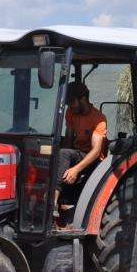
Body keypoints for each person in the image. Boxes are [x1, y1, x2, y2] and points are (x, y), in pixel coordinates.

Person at [53, 81, 108, 220]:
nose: (70, 106)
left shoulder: (99, 119)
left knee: (65, 155)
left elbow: (96, 151)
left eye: (72, 102)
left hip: (93, 160)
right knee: (60, 153)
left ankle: (54, 201)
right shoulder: (71, 112)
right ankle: (55, 201)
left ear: (83, 99)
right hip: (77, 153)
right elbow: (68, 139)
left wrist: (75, 170)